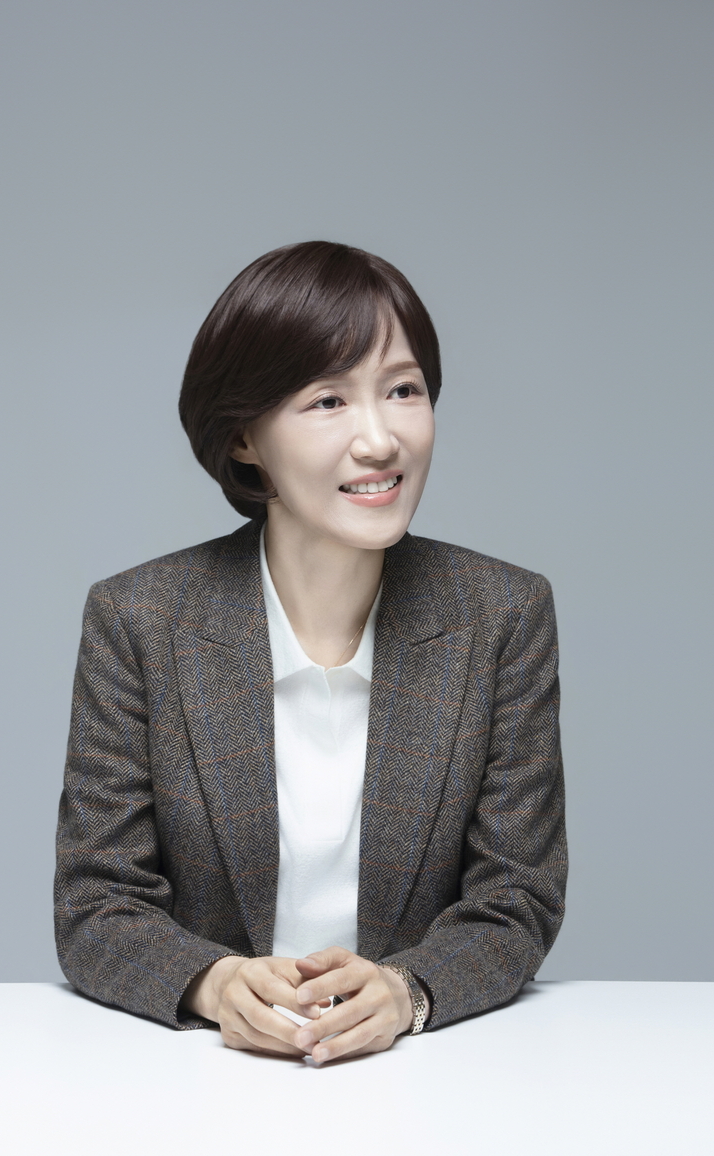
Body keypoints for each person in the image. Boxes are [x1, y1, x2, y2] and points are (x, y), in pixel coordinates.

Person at [54, 240, 567, 1064]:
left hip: (432, 1080)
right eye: (329, 400)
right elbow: (95, 905)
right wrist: (214, 984)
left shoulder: (501, 614)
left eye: (403, 390)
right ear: (245, 437)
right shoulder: (140, 619)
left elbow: (517, 899)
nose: (380, 440)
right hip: (194, 1080)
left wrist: (408, 991)